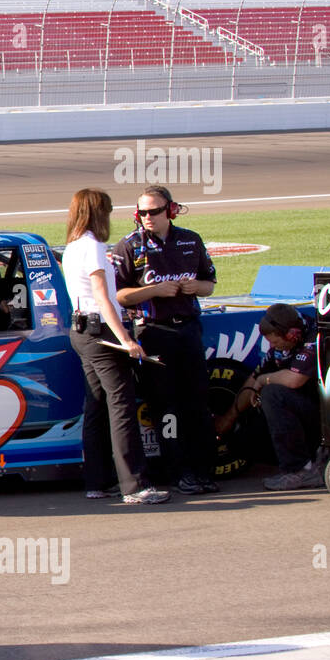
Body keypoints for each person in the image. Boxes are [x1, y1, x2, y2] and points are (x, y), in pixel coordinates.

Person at [62, 189, 169, 505]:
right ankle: (134, 485)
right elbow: (102, 296)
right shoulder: (94, 247)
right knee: (121, 405)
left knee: (95, 405)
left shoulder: (72, 247)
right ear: (99, 213)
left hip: (80, 329)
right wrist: (125, 339)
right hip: (101, 329)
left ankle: (97, 480)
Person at [112, 185, 220, 495]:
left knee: (198, 403)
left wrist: (193, 286)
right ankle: (178, 470)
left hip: (188, 330)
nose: (147, 217)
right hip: (154, 332)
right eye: (142, 212)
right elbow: (119, 294)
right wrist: (154, 291)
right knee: (166, 407)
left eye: (154, 211)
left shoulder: (190, 239)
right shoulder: (128, 246)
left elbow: (209, 284)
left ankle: (204, 469)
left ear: (170, 211)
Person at [215, 304, 323, 490]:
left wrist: (265, 380)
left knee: (272, 393)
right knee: (241, 441)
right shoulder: (284, 339)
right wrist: (229, 419)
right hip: (304, 412)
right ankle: (302, 460)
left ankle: (300, 470)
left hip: (328, 415)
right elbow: (253, 379)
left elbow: (294, 379)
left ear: (292, 335)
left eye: (275, 343)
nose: (272, 347)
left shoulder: (315, 338)